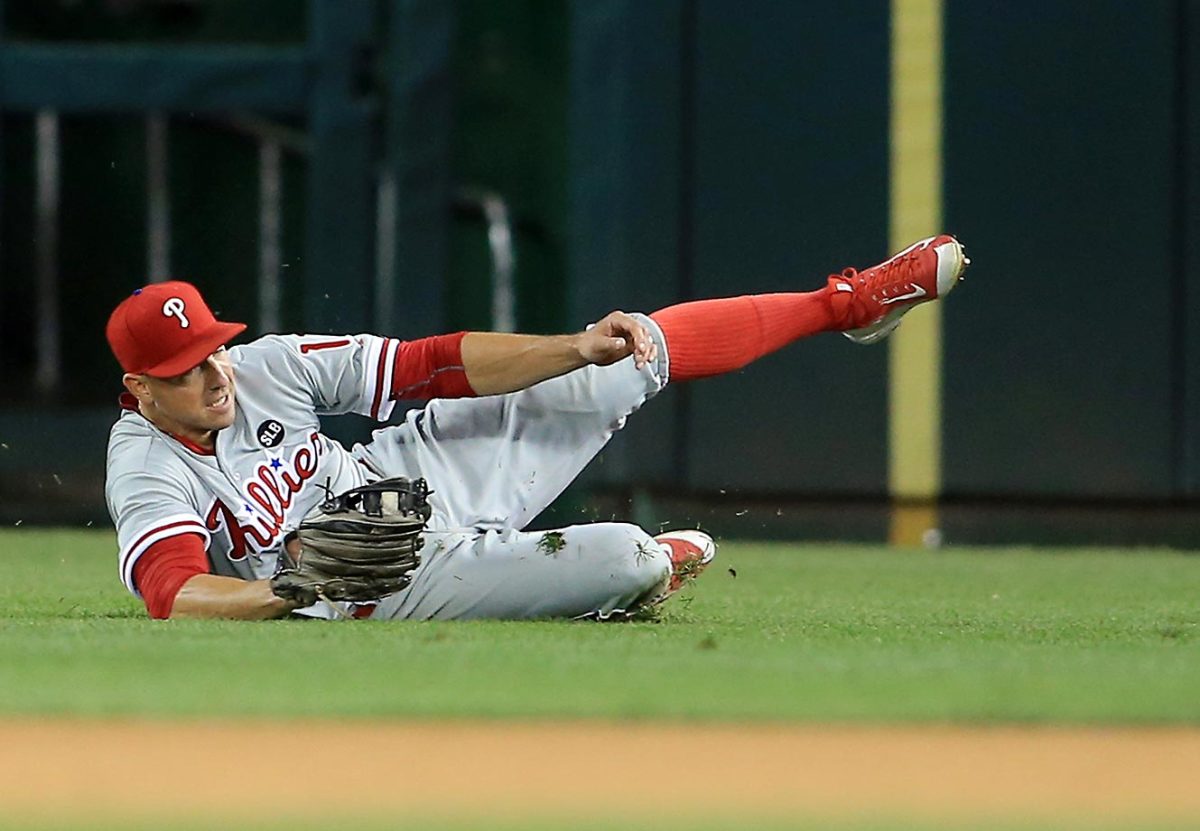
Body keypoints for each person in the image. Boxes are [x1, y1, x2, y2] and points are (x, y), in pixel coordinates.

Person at [104, 234, 968, 621]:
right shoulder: (144, 460)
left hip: (412, 478)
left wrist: (573, 347)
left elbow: (431, 363)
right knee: (624, 551)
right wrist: (290, 592)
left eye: (216, 345)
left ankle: (846, 304)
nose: (218, 372)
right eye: (190, 369)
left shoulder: (262, 365)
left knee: (626, 354)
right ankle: (633, 578)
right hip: (359, 585)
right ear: (142, 387)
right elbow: (173, 593)